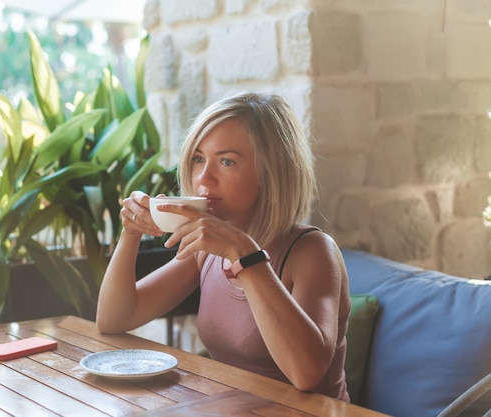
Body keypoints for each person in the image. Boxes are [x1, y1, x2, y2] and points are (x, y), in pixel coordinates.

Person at [96, 91, 351, 401]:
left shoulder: (312, 251)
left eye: (227, 161)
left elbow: (307, 375)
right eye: (198, 159)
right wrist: (131, 233)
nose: (204, 177)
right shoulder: (207, 250)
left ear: (271, 173)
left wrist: (245, 255)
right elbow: (114, 318)